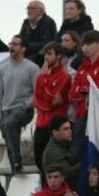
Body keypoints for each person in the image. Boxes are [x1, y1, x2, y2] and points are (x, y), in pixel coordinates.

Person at [0, 35, 39, 172]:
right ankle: (16, 169)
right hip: (5, 110)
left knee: (9, 124)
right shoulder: (3, 69)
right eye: (11, 43)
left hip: (23, 108)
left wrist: (26, 105)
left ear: (23, 48)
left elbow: (37, 92)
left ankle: (16, 161)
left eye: (15, 44)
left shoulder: (32, 68)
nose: (11, 46)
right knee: (8, 138)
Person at [33, 43, 72, 173]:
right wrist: (43, 81)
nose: (46, 57)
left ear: (58, 56)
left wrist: (43, 82)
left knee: (53, 167)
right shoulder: (41, 76)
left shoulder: (65, 77)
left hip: (53, 126)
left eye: (49, 54)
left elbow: (53, 102)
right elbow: (37, 101)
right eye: (45, 54)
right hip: (40, 125)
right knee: (40, 164)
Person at [19, 0, 58, 66]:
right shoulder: (26, 23)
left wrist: (27, 46)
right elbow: (20, 39)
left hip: (40, 55)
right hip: (26, 53)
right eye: (28, 8)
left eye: (32, 8)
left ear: (41, 10)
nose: (29, 11)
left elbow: (47, 43)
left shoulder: (48, 23)